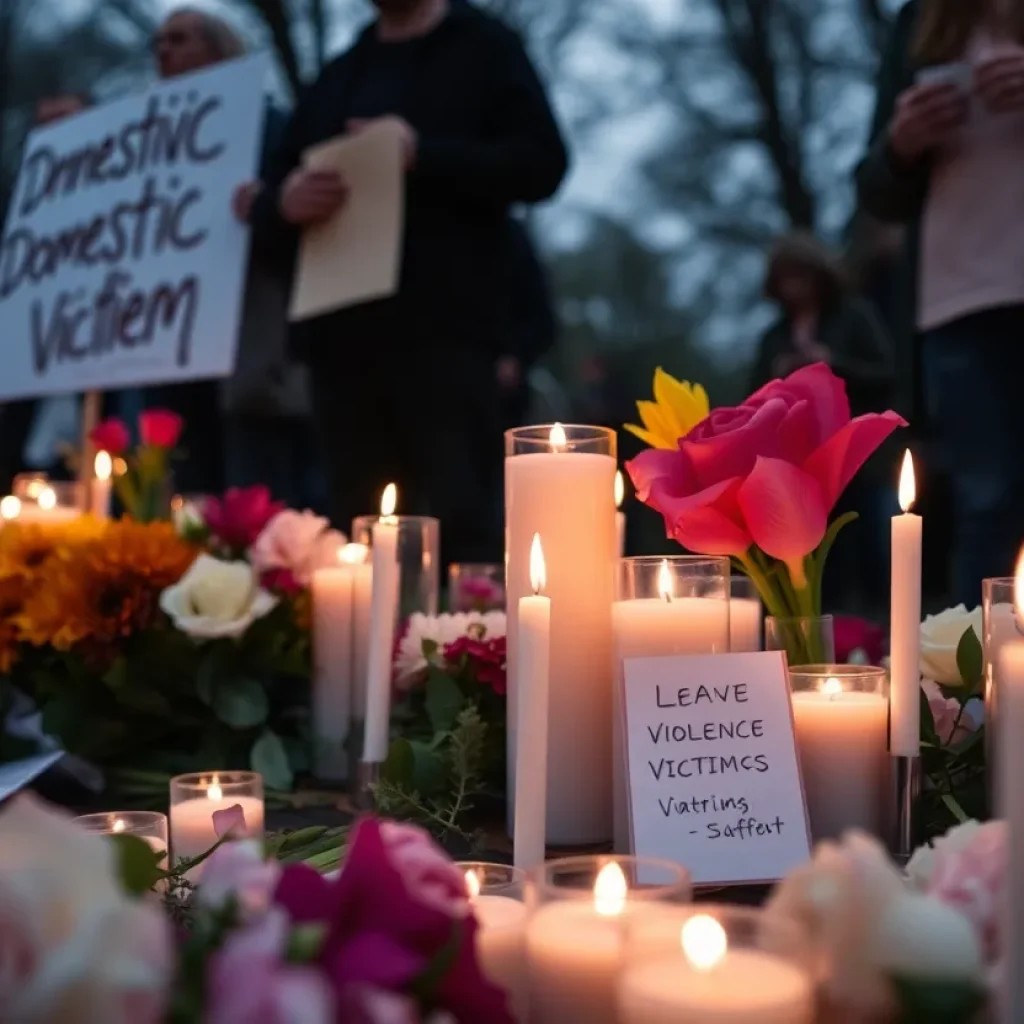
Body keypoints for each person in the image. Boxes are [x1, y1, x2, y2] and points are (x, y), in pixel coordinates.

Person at [252, 0, 568, 563]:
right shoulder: (342, 72)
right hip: (343, 344)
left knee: (463, 520)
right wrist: (283, 200)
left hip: (448, 337)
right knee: (356, 527)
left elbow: (542, 162)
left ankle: (471, 646)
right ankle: (368, 648)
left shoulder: (484, 48)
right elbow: (273, 187)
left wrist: (424, 153)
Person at [857, 0, 1024, 606]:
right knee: (987, 500)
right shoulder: (920, 22)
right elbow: (875, 190)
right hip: (959, 303)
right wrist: (902, 142)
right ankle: (978, 692)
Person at [751, 233, 896, 612]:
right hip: (795, 463)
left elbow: (887, 374)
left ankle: (864, 630)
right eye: (785, 277)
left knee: (862, 547)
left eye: (801, 275)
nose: (794, 286)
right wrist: (778, 378)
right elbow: (749, 402)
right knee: (810, 556)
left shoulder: (854, 316)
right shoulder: (773, 336)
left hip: (853, 458)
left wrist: (832, 363)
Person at [144, 7, 246, 495]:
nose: (164, 50)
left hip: (243, 351)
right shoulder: (143, 148)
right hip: (164, 342)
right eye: (159, 42)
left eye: (180, 39)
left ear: (219, 48)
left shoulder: (263, 126)